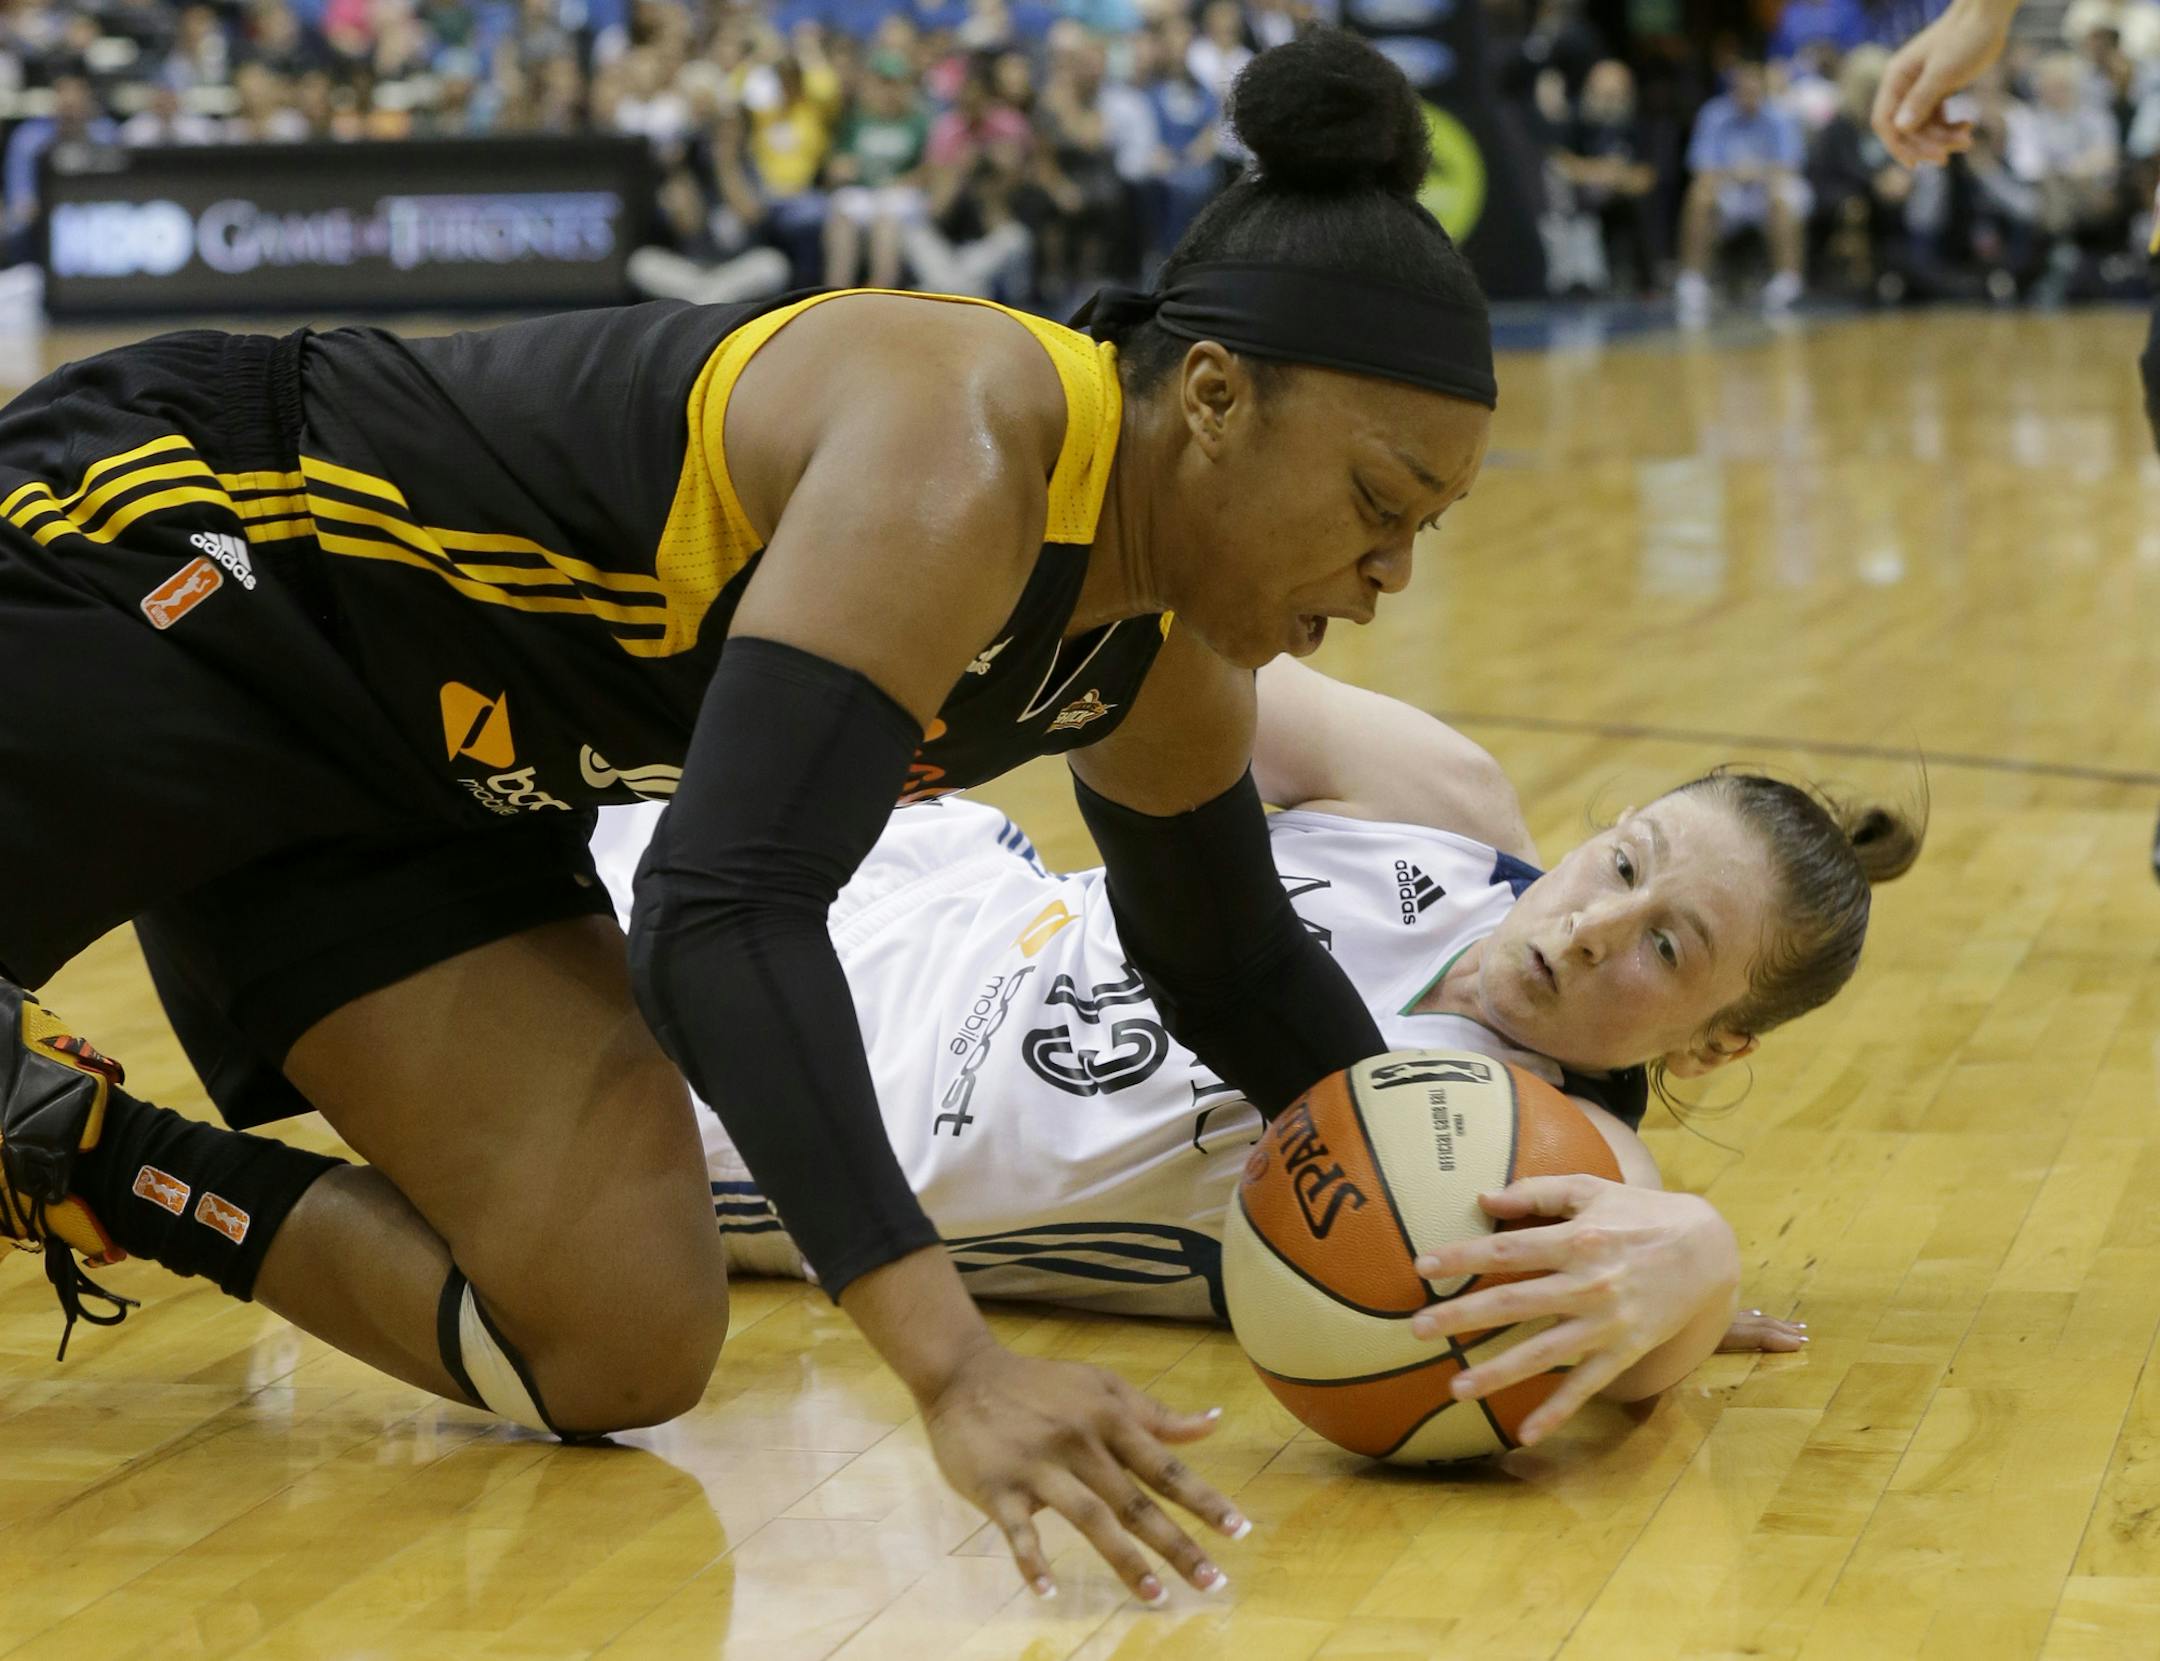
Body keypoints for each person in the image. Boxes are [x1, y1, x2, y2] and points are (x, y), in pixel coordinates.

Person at [0, 31, 1496, 1605]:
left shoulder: (1169, 657)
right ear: (1210, 398)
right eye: (1379, 503)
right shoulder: (970, 438)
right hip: (203, 553)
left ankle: (59, 1145)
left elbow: (1237, 970)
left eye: (1427, 529)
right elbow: (718, 916)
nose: (1392, 573)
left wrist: (1496, 1244)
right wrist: (953, 1366)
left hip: (411, 782)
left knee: (619, 1336)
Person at [595, 658, 1881, 1425]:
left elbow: (1636, 1293)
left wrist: (1696, 1264)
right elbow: (1153, 663)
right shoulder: (1440, 805)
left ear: (1711, 1049)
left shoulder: (1542, 1146)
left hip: (777, 1098)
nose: (1601, 922)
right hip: (903, 870)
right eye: (1623, 859)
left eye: (1669, 947)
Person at [1676, 57, 1811, 324]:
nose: (1748, 94)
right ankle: (1693, 280)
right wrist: (1733, 174)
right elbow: (1701, 169)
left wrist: (1757, 173)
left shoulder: (1781, 117)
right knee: (1699, 194)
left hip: (1766, 190)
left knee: (1782, 194)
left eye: (1754, 88)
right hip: (1729, 191)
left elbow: (1789, 168)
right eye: (1742, 87)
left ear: (1763, 88)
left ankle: (1788, 280)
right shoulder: (1713, 115)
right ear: (1732, 88)